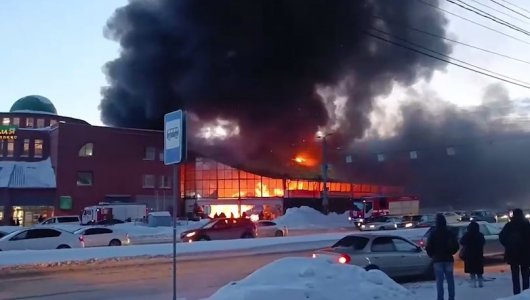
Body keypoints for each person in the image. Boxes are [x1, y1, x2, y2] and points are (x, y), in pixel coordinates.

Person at [426, 213, 460, 300]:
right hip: (448, 259)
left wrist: (432, 255)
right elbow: (456, 246)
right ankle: (451, 298)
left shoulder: (433, 233)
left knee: (439, 282)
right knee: (450, 281)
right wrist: (452, 252)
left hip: (437, 260)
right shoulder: (449, 233)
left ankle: (440, 298)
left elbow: (428, 246)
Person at [499, 208, 530, 295]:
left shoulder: (509, 225)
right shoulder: (527, 225)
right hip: (525, 253)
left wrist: (508, 245)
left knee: (515, 276)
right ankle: (525, 293)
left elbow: (501, 237)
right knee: (526, 275)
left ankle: (516, 294)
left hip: (513, 254)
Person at [460, 221, 486, 288]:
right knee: (479, 270)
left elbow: (462, 242)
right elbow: (483, 242)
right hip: (478, 254)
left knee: (472, 271)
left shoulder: (467, 235)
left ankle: (473, 283)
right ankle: (480, 283)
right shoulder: (480, 235)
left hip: (469, 255)